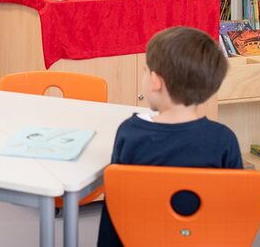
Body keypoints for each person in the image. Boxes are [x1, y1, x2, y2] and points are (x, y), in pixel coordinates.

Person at [97, 26, 242, 246]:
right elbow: (233, 208)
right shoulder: (224, 140)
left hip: (142, 238)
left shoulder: (130, 133)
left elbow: (116, 206)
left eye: (145, 70)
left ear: (156, 81)